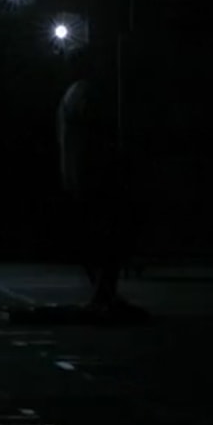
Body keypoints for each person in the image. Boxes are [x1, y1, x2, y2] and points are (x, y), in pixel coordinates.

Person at [57, 40, 136, 313]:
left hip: (78, 174)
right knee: (107, 236)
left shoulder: (69, 96)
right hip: (93, 173)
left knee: (93, 238)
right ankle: (104, 292)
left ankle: (102, 292)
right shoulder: (85, 93)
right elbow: (97, 128)